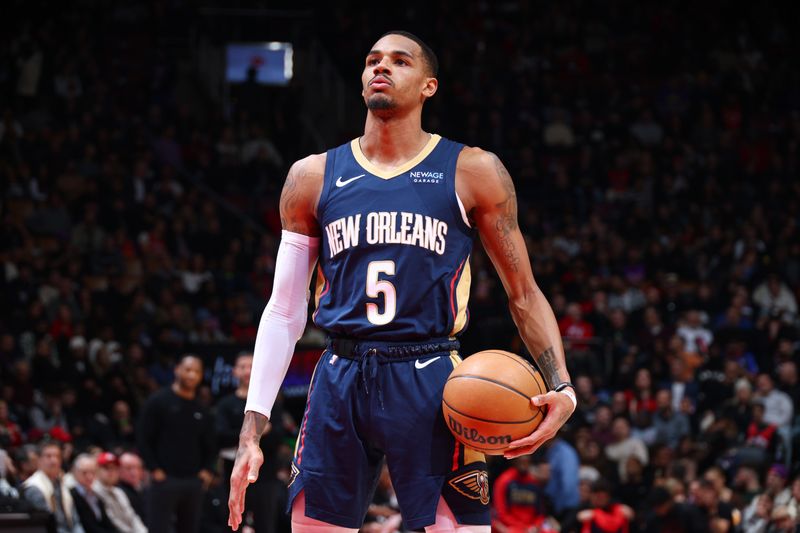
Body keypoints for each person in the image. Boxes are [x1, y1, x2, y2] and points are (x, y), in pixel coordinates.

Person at [227, 30, 575, 533]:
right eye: (372, 60)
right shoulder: (312, 176)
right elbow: (284, 311)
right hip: (340, 373)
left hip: (431, 374)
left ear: (429, 86)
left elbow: (522, 293)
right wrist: (251, 430)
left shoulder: (472, 170)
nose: (380, 67)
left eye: (399, 60)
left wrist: (563, 387)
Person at [137, 355, 216, 533]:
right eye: (188, 370)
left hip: (193, 482)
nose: (191, 375)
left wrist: (207, 470)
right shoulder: (158, 402)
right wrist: (154, 468)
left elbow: (211, 444)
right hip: (164, 480)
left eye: (196, 371)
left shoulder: (201, 408)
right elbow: (143, 438)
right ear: (177, 370)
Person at [216, 353, 285, 533]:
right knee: (232, 524)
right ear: (234, 372)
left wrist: (255, 434)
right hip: (234, 476)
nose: (248, 371)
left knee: (266, 525)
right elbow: (220, 437)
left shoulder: (272, 404)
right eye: (243, 366)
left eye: (251, 366)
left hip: (266, 476)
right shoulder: (225, 404)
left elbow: (279, 437)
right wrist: (256, 432)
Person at [22, 440, 84, 533]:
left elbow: (75, 521)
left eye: (57, 456)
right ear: (38, 459)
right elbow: (48, 525)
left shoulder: (64, 484)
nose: (54, 460)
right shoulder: (33, 487)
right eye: (48, 456)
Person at [93, 452, 147, 533]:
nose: (111, 472)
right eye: (106, 468)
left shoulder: (119, 492)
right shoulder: (94, 491)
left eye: (114, 468)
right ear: (97, 470)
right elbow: (113, 521)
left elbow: (132, 517)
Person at [69, 454, 118, 533]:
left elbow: (107, 522)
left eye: (92, 472)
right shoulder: (72, 495)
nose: (89, 476)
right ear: (75, 472)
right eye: (84, 472)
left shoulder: (96, 495)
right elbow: (88, 526)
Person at [117, 452, 146, 522]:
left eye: (138, 468)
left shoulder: (145, 490)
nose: (134, 472)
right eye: (128, 468)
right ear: (119, 470)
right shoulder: (118, 492)